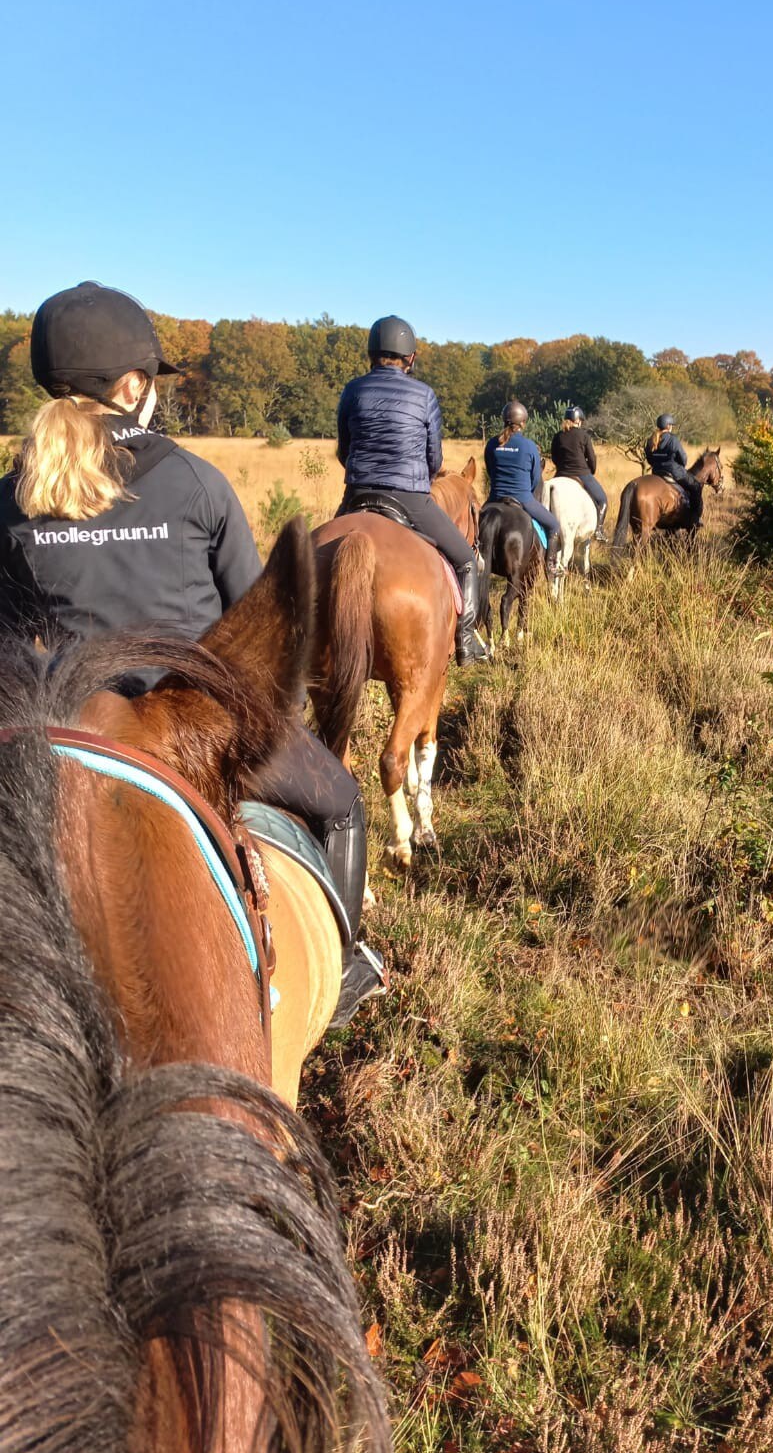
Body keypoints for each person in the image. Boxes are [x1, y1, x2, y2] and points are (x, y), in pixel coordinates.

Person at [0, 281, 383, 1026]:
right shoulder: (199, 484)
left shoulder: (7, 498)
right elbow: (259, 621)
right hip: (195, 727)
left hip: (70, 728)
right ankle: (342, 977)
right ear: (135, 386)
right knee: (341, 804)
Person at [336, 315, 487, 666]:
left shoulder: (353, 390)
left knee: (310, 562)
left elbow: (344, 450)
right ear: (411, 358)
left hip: (357, 495)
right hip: (410, 496)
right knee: (465, 559)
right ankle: (466, 642)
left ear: (371, 353)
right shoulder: (425, 395)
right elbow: (434, 459)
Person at [483, 402, 563, 572]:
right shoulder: (529, 446)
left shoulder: (491, 444)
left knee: (475, 527)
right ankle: (551, 565)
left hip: (494, 498)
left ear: (504, 420)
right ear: (523, 423)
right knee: (554, 525)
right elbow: (535, 479)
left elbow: (490, 472)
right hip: (524, 498)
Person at [549, 405, 608, 540]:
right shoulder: (584, 435)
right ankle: (599, 530)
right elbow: (592, 457)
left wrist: (562, 468)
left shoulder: (558, 436)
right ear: (579, 421)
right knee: (602, 500)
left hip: (561, 474)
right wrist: (591, 470)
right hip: (581, 473)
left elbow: (554, 457)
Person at [645, 412, 702, 527]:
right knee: (696, 486)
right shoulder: (673, 439)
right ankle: (695, 518)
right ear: (668, 426)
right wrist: (680, 466)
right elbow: (683, 459)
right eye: (671, 425)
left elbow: (649, 458)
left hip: (656, 473)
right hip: (674, 472)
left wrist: (657, 464)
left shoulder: (650, 439)